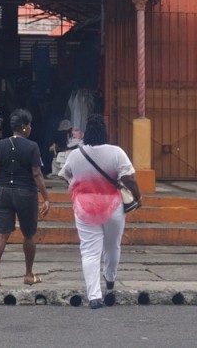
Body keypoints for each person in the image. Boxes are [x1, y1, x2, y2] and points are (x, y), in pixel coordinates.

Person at [59, 114, 141, 309]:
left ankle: (94, 296)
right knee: (112, 246)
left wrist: (75, 186)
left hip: (84, 208)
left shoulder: (76, 154)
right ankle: (110, 278)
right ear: (105, 133)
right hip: (113, 208)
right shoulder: (116, 152)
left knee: (89, 252)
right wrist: (138, 197)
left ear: (86, 135)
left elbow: (64, 175)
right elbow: (129, 178)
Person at [0, 108, 50, 288]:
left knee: (2, 234)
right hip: (26, 193)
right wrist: (45, 198)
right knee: (29, 234)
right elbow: (37, 174)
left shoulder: (0, 145)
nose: (30, 128)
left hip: (2, 192)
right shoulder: (32, 146)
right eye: (29, 125)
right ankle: (28, 274)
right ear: (23, 127)